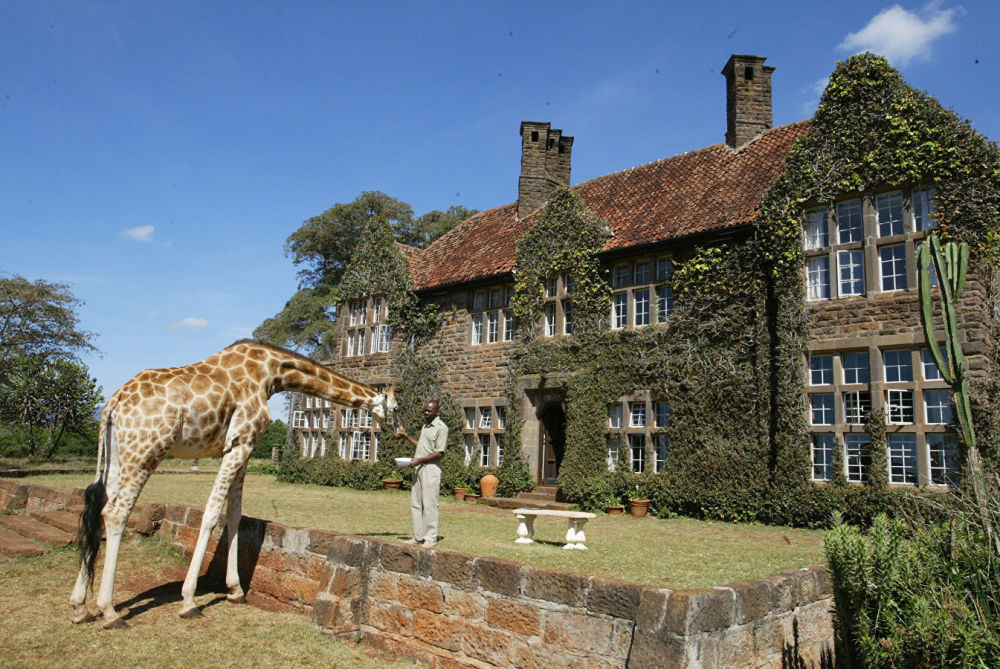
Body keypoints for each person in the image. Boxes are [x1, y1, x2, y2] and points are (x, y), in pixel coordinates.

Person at [395, 400, 448, 547]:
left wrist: (420, 460)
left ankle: (430, 538)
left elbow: (439, 453)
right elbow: (422, 447)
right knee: (416, 503)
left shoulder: (441, 428)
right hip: (418, 468)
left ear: (436, 412)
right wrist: (406, 437)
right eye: (424, 410)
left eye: (429, 411)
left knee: (430, 503)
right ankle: (418, 536)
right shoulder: (425, 426)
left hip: (431, 469)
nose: (425, 412)